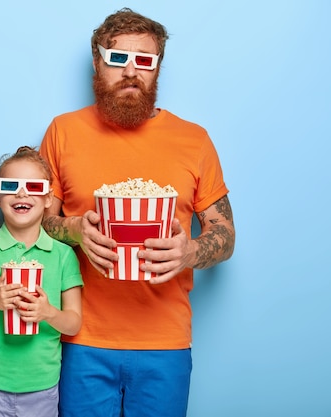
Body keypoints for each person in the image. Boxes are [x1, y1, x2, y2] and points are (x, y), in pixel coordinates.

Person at [39, 8, 236, 417]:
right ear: (97, 63)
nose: (131, 71)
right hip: (81, 337)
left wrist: (190, 253)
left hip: (164, 342)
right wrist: (74, 229)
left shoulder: (193, 140)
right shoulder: (63, 131)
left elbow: (225, 233)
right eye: (117, 58)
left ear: (157, 68)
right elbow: (36, 221)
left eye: (144, 60)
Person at [0, 146, 83, 417]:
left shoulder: (63, 255)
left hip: (42, 386)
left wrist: (48, 312)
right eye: (11, 185)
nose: (22, 193)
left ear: (48, 198)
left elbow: (73, 323)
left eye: (33, 186)